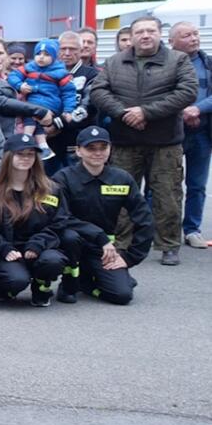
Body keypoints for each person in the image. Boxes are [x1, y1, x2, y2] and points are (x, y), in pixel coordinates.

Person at [89, 16, 198, 265]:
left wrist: (146, 112)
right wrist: (123, 113)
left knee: (167, 194)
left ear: (160, 34)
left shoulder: (178, 60)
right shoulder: (115, 62)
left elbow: (187, 91)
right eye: (140, 31)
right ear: (133, 35)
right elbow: (98, 91)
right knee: (119, 193)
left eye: (151, 30)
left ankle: (169, 245)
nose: (145, 35)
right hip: (125, 140)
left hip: (165, 141)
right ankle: (121, 242)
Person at [52, 127, 152, 304]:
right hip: (69, 245)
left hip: (103, 251)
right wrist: (99, 236)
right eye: (91, 148)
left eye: (102, 148)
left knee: (122, 296)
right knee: (70, 237)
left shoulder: (121, 178)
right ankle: (69, 282)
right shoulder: (63, 178)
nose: (97, 153)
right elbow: (60, 218)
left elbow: (144, 219)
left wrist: (130, 257)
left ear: (110, 149)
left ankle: (87, 284)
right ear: (78, 151)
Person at [0, 134, 74, 306]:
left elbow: (60, 222)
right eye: (20, 154)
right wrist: (3, 248)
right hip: (8, 251)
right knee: (17, 280)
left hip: (41, 248)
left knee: (53, 261)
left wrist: (38, 244)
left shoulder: (51, 189)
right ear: (8, 156)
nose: (26, 158)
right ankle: (5, 287)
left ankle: (41, 287)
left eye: (30, 154)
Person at [169, 22, 211, 249]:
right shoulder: (165, 63)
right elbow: (158, 94)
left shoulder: (208, 63)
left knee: (197, 185)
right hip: (171, 132)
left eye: (196, 34)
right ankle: (162, 228)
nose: (194, 38)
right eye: (187, 35)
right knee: (166, 184)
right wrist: (182, 111)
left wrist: (199, 108)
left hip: (202, 132)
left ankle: (192, 229)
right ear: (172, 41)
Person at [9, 38, 78, 157]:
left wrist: (68, 110)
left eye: (46, 54)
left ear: (54, 57)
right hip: (33, 101)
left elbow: (69, 93)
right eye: (38, 54)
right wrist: (20, 85)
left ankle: (26, 140)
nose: (41, 57)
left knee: (32, 117)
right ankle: (43, 146)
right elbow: (13, 76)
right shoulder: (29, 67)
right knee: (34, 117)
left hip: (50, 103)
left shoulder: (60, 72)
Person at [47, 31, 99, 168]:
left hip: (76, 141)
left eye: (73, 49)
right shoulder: (44, 73)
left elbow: (88, 106)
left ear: (81, 50)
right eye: (63, 48)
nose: (67, 53)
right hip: (48, 140)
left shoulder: (92, 75)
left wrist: (58, 123)